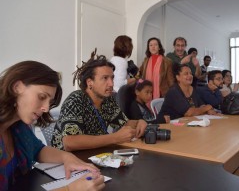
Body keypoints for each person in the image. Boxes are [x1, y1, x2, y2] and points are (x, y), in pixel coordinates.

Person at [0, 61, 104, 191]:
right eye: (42, 97)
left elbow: (38, 150)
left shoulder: (19, 127)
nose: (46, 108)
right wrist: (69, 189)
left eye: (50, 102)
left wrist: (68, 157)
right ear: (17, 87)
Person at [51, 51, 147, 151]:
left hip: (95, 155)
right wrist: (115, 138)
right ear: (90, 82)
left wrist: (139, 122)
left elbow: (124, 123)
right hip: (65, 161)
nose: (111, 83)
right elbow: (70, 143)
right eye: (105, 78)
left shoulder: (108, 100)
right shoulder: (75, 100)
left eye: (112, 78)